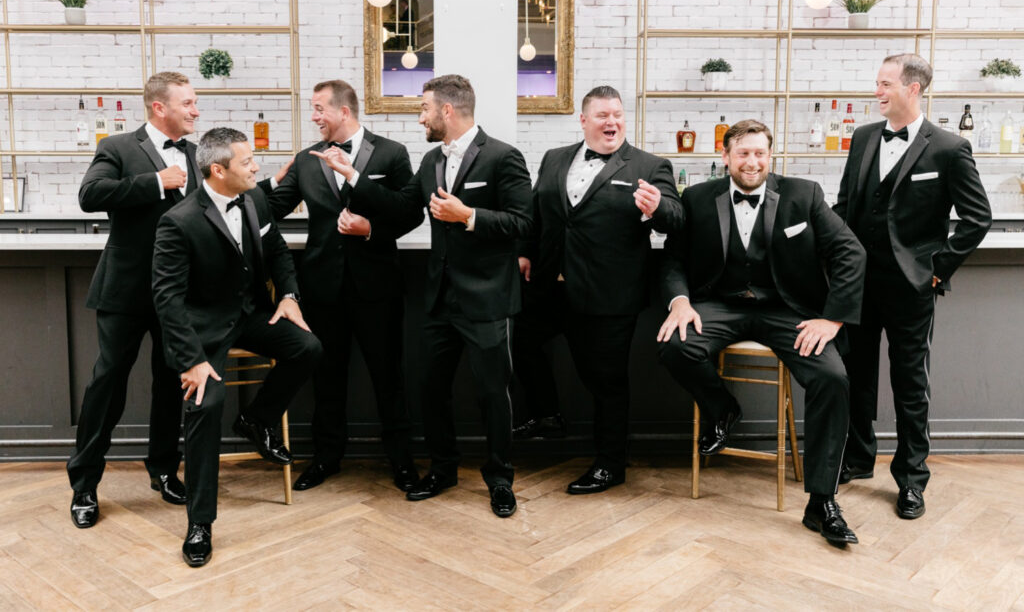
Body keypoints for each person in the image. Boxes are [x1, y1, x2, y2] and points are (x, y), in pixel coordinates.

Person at [319, 74, 532, 518]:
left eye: (423, 109)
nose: (420, 118)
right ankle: (443, 469)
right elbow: (401, 208)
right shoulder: (432, 159)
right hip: (439, 299)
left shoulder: (503, 157)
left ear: (447, 111)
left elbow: (522, 224)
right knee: (430, 388)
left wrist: (469, 214)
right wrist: (354, 176)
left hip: (487, 300)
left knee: (493, 393)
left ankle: (500, 478)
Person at [657, 119, 866, 547]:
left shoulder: (803, 195)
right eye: (743, 153)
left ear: (771, 156)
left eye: (759, 153)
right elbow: (673, 259)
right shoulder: (696, 198)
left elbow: (850, 251)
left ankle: (822, 502)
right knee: (675, 345)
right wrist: (680, 301)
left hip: (785, 309)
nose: (752, 162)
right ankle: (722, 409)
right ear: (726, 157)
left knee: (832, 378)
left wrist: (832, 318)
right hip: (721, 303)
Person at [152, 127, 322, 567]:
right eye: (247, 162)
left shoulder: (255, 199)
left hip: (250, 315)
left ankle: (257, 419)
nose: (256, 167)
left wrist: (288, 296)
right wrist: (191, 360)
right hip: (203, 330)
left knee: (308, 347)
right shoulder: (179, 221)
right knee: (205, 406)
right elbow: (167, 300)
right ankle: (200, 523)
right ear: (218, 170)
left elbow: (278, 250)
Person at [834, 53, 991, 519]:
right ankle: (858, 459)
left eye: (885, 84)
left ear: (913, 88)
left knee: (910, 384)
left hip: (911, 286)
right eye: (877, 83)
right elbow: (846, 206)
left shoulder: (948, 147)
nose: (877, 92)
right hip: (860, 283)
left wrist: (936, 269)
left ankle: (911, 480)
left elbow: (976, 218)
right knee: (856, 377)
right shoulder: (863, 138)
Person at [514, 85, 682, 493]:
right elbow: (537, 212)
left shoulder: (649, 164)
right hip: (551, 286)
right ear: (584, 120)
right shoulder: (555, 158)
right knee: (522, 340)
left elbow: (676, 219)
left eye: (617, 114)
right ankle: (546, 414)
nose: (612, 122)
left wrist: (658, 207)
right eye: (603, 115)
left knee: (605, 381)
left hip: (609, 295)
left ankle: (611, 465)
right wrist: (524, 251)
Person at [261, 80, 418, 493]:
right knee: (327, 378)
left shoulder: (391, 153)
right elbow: (272, 212)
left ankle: (402, 460)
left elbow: (410, 213)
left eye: (318, 109)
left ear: (343, 111)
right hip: (322, 288)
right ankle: (327, 458)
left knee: (389, 377)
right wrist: (263, 187)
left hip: (378, 287)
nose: (313, 116)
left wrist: (372, 229)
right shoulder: (305, 160)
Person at [68, 71, 200, 528]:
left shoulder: (196, 155)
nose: (195, 110)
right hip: (125, 291)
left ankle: (164, 471)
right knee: (107, 385)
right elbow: (90, 195)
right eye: (187, 103)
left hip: (176, 295)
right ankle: (84, 485)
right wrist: (155, 181)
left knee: (170, 385)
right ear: (159, 107)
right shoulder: (119, 148)